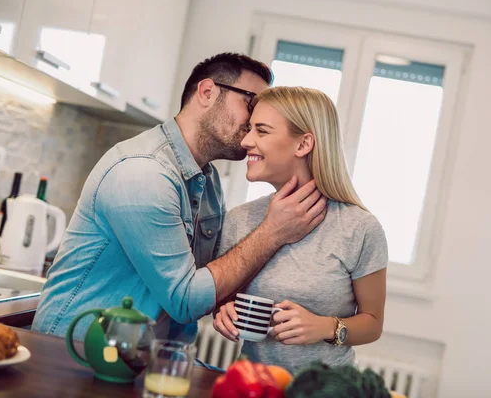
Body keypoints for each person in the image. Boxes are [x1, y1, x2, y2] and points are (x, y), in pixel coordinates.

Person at [31, 53, 327, 342]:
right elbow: (185, 300)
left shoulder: (207, 179)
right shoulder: (143, 172)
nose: (255, 121)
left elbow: (209, 279)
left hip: (143, 355)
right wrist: (272, 232)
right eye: (251, 103)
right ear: (207, 92)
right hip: (76, 353)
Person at [213, 87, 388, 374]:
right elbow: (222, 299)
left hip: (327, 391)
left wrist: (325, 327)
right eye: (249, 129)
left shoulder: (360, 229)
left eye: (262, 131)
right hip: (251, 386)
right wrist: (224, 312)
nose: (246, 141)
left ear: (304, 143)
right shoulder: (239, 220)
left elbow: (372, 323)